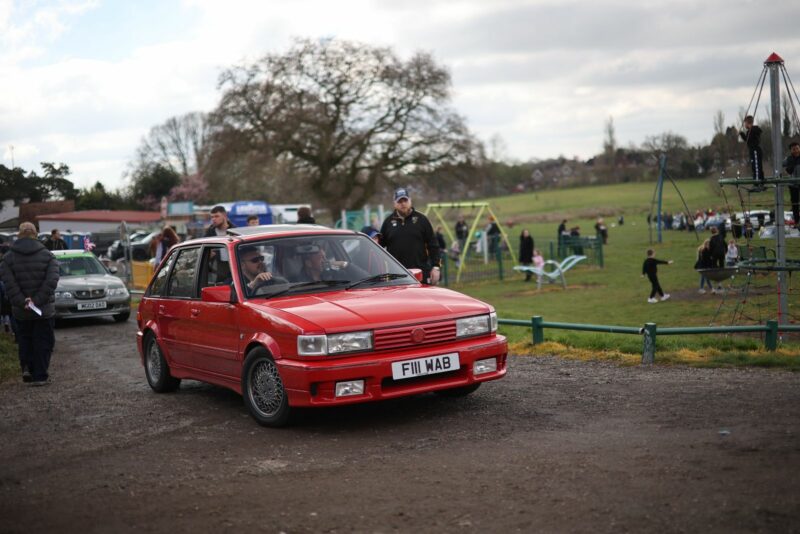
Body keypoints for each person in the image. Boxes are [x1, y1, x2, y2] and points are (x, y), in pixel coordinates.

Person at [0, 222, 59, 385]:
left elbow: (8, 282)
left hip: (20, 310)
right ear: (36, 234)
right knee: (43, 341)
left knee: (25, 340)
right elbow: (52, 280)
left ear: (19, 235)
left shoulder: (7, 258)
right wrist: (37, 300)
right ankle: (40, 375)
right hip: (43, 309)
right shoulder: (48, 256)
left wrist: (22, 301)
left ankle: (27, 368)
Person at [379, 187, 440, 285]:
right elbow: (379, 247)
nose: (403, 204)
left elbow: (433, 245)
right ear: (395, 204)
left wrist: (436, 267)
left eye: (405, 200)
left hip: (421, 273)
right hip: (396, 276)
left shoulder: (422, 219)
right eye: (399, 201)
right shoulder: (388, 222)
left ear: (410, 201)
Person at [740, 115, 764, 182]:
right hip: (752, 151)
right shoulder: (748, 132)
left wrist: (751, 128)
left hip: (755, 150)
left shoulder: (755, 129)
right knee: (754, 166)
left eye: (745, 123)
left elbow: (759, 131)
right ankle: (757, 181)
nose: (744, 125)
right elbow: (748, 140)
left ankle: (758, 181)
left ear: (748, 123)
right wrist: (742, 134)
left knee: (757, 166)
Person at [783, 141, 800, 227]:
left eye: (797, 148)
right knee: (795, 203)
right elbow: (781, 164)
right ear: (791, 151)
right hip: (793, 184)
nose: (796, 151)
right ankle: (797, 221)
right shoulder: (788, 159)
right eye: (794, 149)